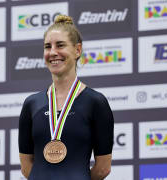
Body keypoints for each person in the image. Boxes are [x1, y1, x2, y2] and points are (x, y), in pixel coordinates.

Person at [18, 14, 114, 180]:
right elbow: (26, 167)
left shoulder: (95, 102)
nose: (53, 52)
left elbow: (103, 168)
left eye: (60, 45)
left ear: (77, 50)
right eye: (48, 47)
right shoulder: (32, 104)